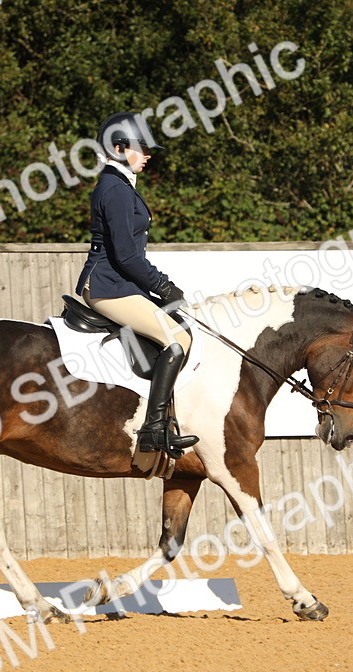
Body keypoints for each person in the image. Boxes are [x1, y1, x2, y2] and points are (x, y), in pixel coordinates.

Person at [74, 112, 198, 459]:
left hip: (119, 283)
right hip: (107, 285)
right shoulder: (114, 189)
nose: (147, 155)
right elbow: (127, 256)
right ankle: (152, 431)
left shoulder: (120, 185)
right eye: (140, 148)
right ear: (118, 148)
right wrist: (163, 285)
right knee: (178, 340)